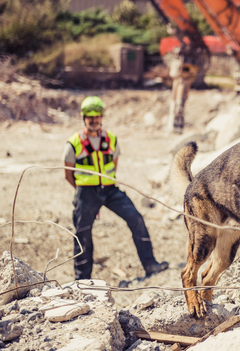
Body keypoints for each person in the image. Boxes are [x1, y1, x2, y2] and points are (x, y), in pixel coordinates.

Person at [64, 96, 168, 280]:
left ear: (102, 117)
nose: (94, 120)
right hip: (86, 193)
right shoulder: (73, 143)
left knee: (136, 218)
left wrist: (105, 185)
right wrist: (83, 196)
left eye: (97, 116)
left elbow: (114, 164)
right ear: (84, 118)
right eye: (90, 117)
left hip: (110, 190)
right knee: (82, 232)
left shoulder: (111, 140)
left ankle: (150, 264)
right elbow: (68, 175)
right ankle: (82, 279)